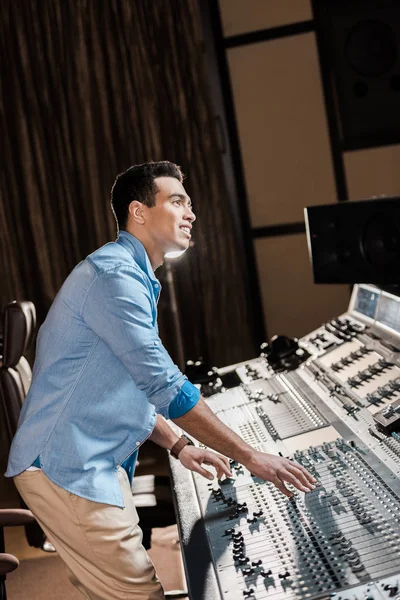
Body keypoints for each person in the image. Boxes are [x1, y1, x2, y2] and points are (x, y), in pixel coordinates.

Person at [6, 161, 316, 600]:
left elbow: (120, 388)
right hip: (67, 468)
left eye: (190, 204)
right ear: (139, 212)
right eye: (177, 201)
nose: (191, 213)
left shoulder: (129, 273)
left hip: (87, 459)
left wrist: (180, 444)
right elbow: (165, 385)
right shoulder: (115, 277)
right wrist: (249, 456)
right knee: (140, 594)